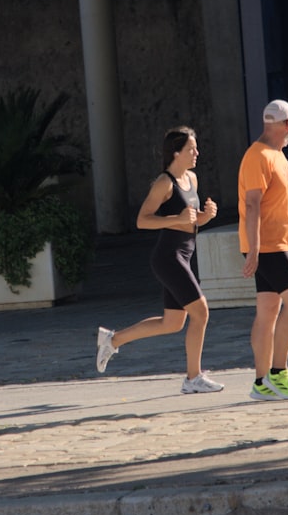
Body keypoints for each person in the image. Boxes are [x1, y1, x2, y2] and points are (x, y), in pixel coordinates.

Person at [95, 126, 224, 394]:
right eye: (191, 149)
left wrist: (206, 217)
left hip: (185, 256)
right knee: (201, 313)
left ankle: (113, 339)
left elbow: (191, 220)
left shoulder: (192, 179)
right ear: (176, 153)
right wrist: (175, 219)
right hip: (168, 257)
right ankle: (193, 378)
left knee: (172, 323)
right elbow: (143, 220)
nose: (197, 153)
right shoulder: (164, 183)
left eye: (196, 148)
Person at [238, 99, 288, 401]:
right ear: (286, 125)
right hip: (266, 245)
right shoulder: (256, 156)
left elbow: (277, 202)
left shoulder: (277, 155)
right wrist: (255, 250)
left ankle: (261, 383)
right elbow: (253, 203)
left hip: (277, 240)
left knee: (268, 311)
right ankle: (277, 373)